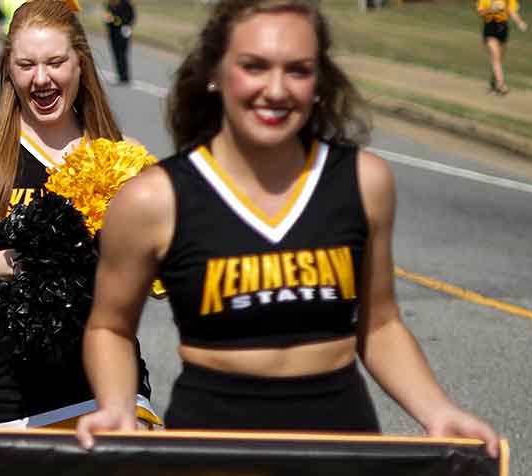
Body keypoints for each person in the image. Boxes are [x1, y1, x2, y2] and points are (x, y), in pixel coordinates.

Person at [75, 0, 499, 452]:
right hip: (210, 456)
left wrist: (438, 411)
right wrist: (117, 405)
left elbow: (380, 325)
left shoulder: (363, 182)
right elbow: (110, 328)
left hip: (340, 452)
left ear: (319, 81)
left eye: (298, 70)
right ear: (215, 72)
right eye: (254, 66)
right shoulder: (154, 199)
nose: (276, 90)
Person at [0, 0, 149, 425]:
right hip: (11, 390)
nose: (41, 79)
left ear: (80, 64)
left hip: (114, 391)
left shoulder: (121, 154)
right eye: (26, 64)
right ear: (9, 69)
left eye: (55, 62)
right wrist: (32, 260)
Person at [479, 0, 526, 95]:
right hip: (490, 28)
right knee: (496, 57)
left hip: (503, 29)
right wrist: (492, 9)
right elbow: (481, 13)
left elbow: (512, 12)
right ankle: (501, 86)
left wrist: (520, 23)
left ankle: (493, 84)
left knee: (499, 60)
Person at [103, 0, 132, 85]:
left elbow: (130, 18)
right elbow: (107, 18)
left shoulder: (125, 4)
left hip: (122, 33)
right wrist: (107, 20)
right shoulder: (110, 4)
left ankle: (124, 77)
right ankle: (120, 75)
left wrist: (115, 20)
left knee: (122, 54)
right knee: (115, 54)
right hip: (113, 33)